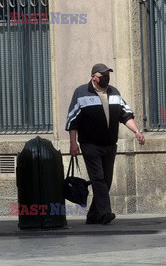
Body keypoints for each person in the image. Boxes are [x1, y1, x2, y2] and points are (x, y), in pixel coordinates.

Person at [66, 63, 145, 225]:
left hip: (109, 144)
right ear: (94, 77)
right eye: (103, 76)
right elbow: (73, 120)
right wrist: (73, 143)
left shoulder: (114, 92)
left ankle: (93, 215)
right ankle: (105, 213)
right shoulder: (81, 93)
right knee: (98, 178)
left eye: (108, 75)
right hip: (90, 145)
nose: (106, 79)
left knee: (106, 180)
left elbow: (125, 115)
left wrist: (137, 131)